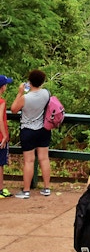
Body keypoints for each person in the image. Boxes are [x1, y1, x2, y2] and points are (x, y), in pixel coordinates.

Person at [10, 69, 51, 198]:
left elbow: (14, 110)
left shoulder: (25, 98)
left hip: (28, 130)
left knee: (29, 161)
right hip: (43, 130)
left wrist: (20, 93)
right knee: (44, 158)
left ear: (29, 81)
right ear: (42, 82)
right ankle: (46, 188)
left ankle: (26, 191)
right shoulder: (46, 93)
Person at [0, 75, 13, 198]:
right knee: (0, 163)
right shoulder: (1, 102)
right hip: (0, 137)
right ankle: (0, 189)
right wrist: (4, 136)